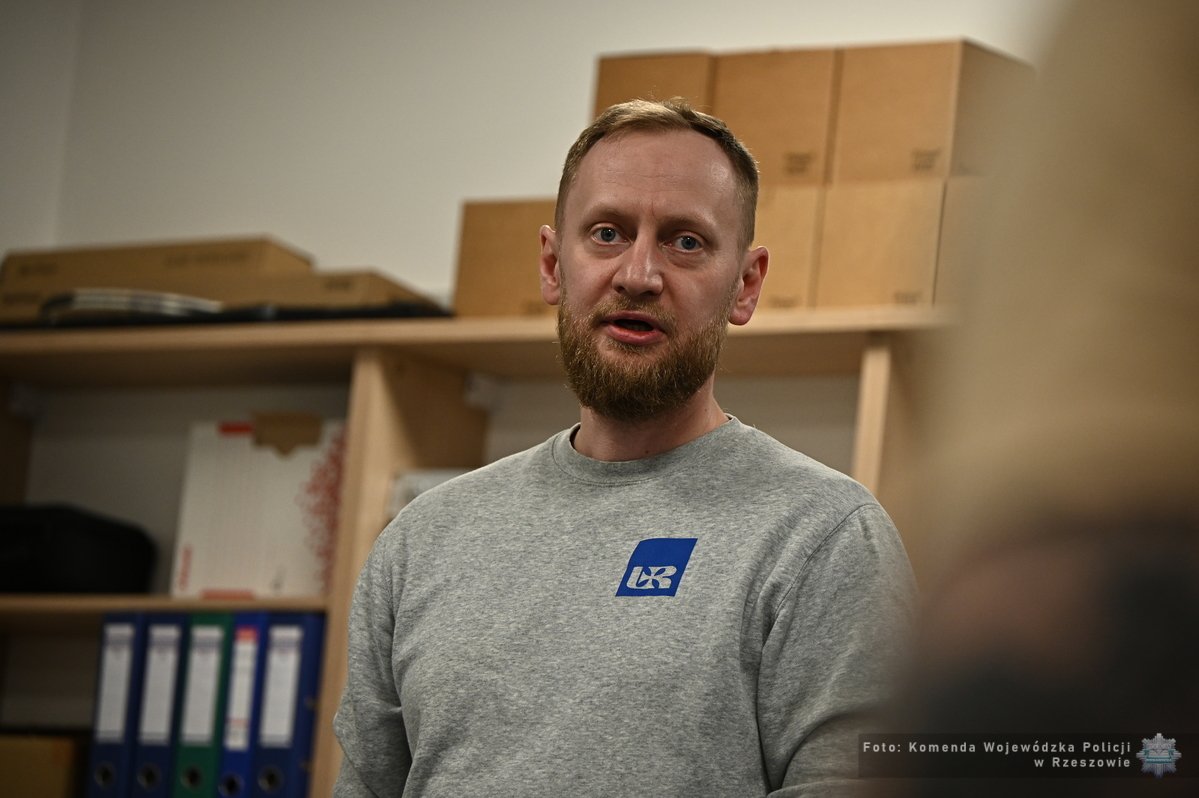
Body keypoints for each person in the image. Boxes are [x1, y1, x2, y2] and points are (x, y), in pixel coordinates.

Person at [333, 99, 915, 797]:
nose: (638, 274)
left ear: (746, 284)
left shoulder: (825, 537)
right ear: (553, 264)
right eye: (607, 233)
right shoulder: (422, 539)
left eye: (685, 242)